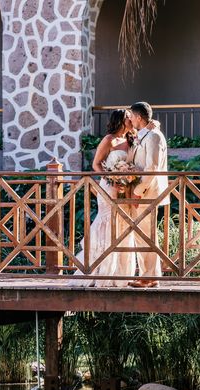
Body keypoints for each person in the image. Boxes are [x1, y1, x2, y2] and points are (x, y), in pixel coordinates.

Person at [69, 109, 136, 287]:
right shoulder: (109, 140)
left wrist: (128, 177)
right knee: (106, 223)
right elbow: (96, 164)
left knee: (123, 225)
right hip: (109, 187)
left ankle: (121, 274)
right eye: (128, 119)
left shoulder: (132, 140)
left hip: (127, 188)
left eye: (131, 118)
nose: (131, 121)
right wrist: (111, 178)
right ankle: (100, 270)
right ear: (120, 121)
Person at [127, 101, 169, 288]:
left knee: (146, 235)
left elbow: (152, 168)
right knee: (143, 235)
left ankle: (149, 277)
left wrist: (137, 192)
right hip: (144, 193)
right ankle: (149, 275)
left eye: (131, 116)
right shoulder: (144, 135)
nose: (130, 120)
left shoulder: (153, 137)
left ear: (138, 117)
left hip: (147, 194)